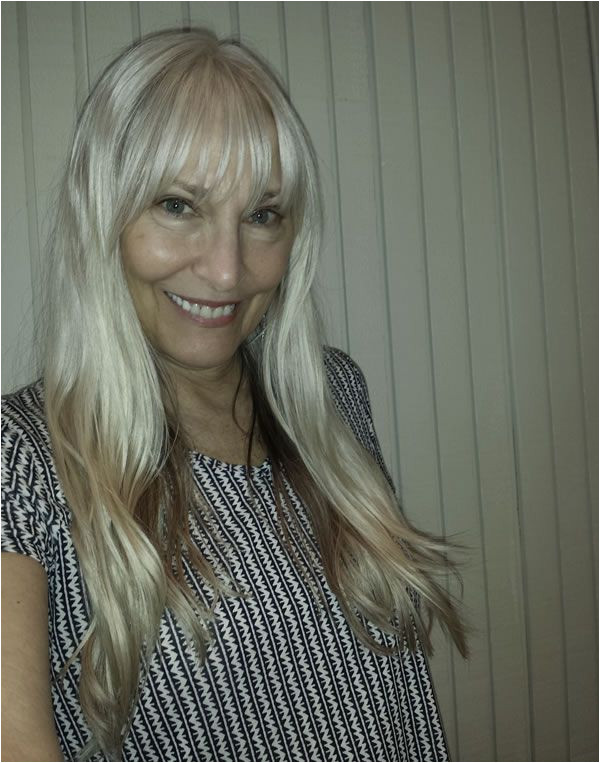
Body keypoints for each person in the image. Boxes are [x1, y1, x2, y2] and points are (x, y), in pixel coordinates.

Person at [1, 28, 467, 762]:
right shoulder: (20, 457)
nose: (227, 270)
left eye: (262, 215)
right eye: (178, 204)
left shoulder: (334, 396)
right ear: (102, 215)